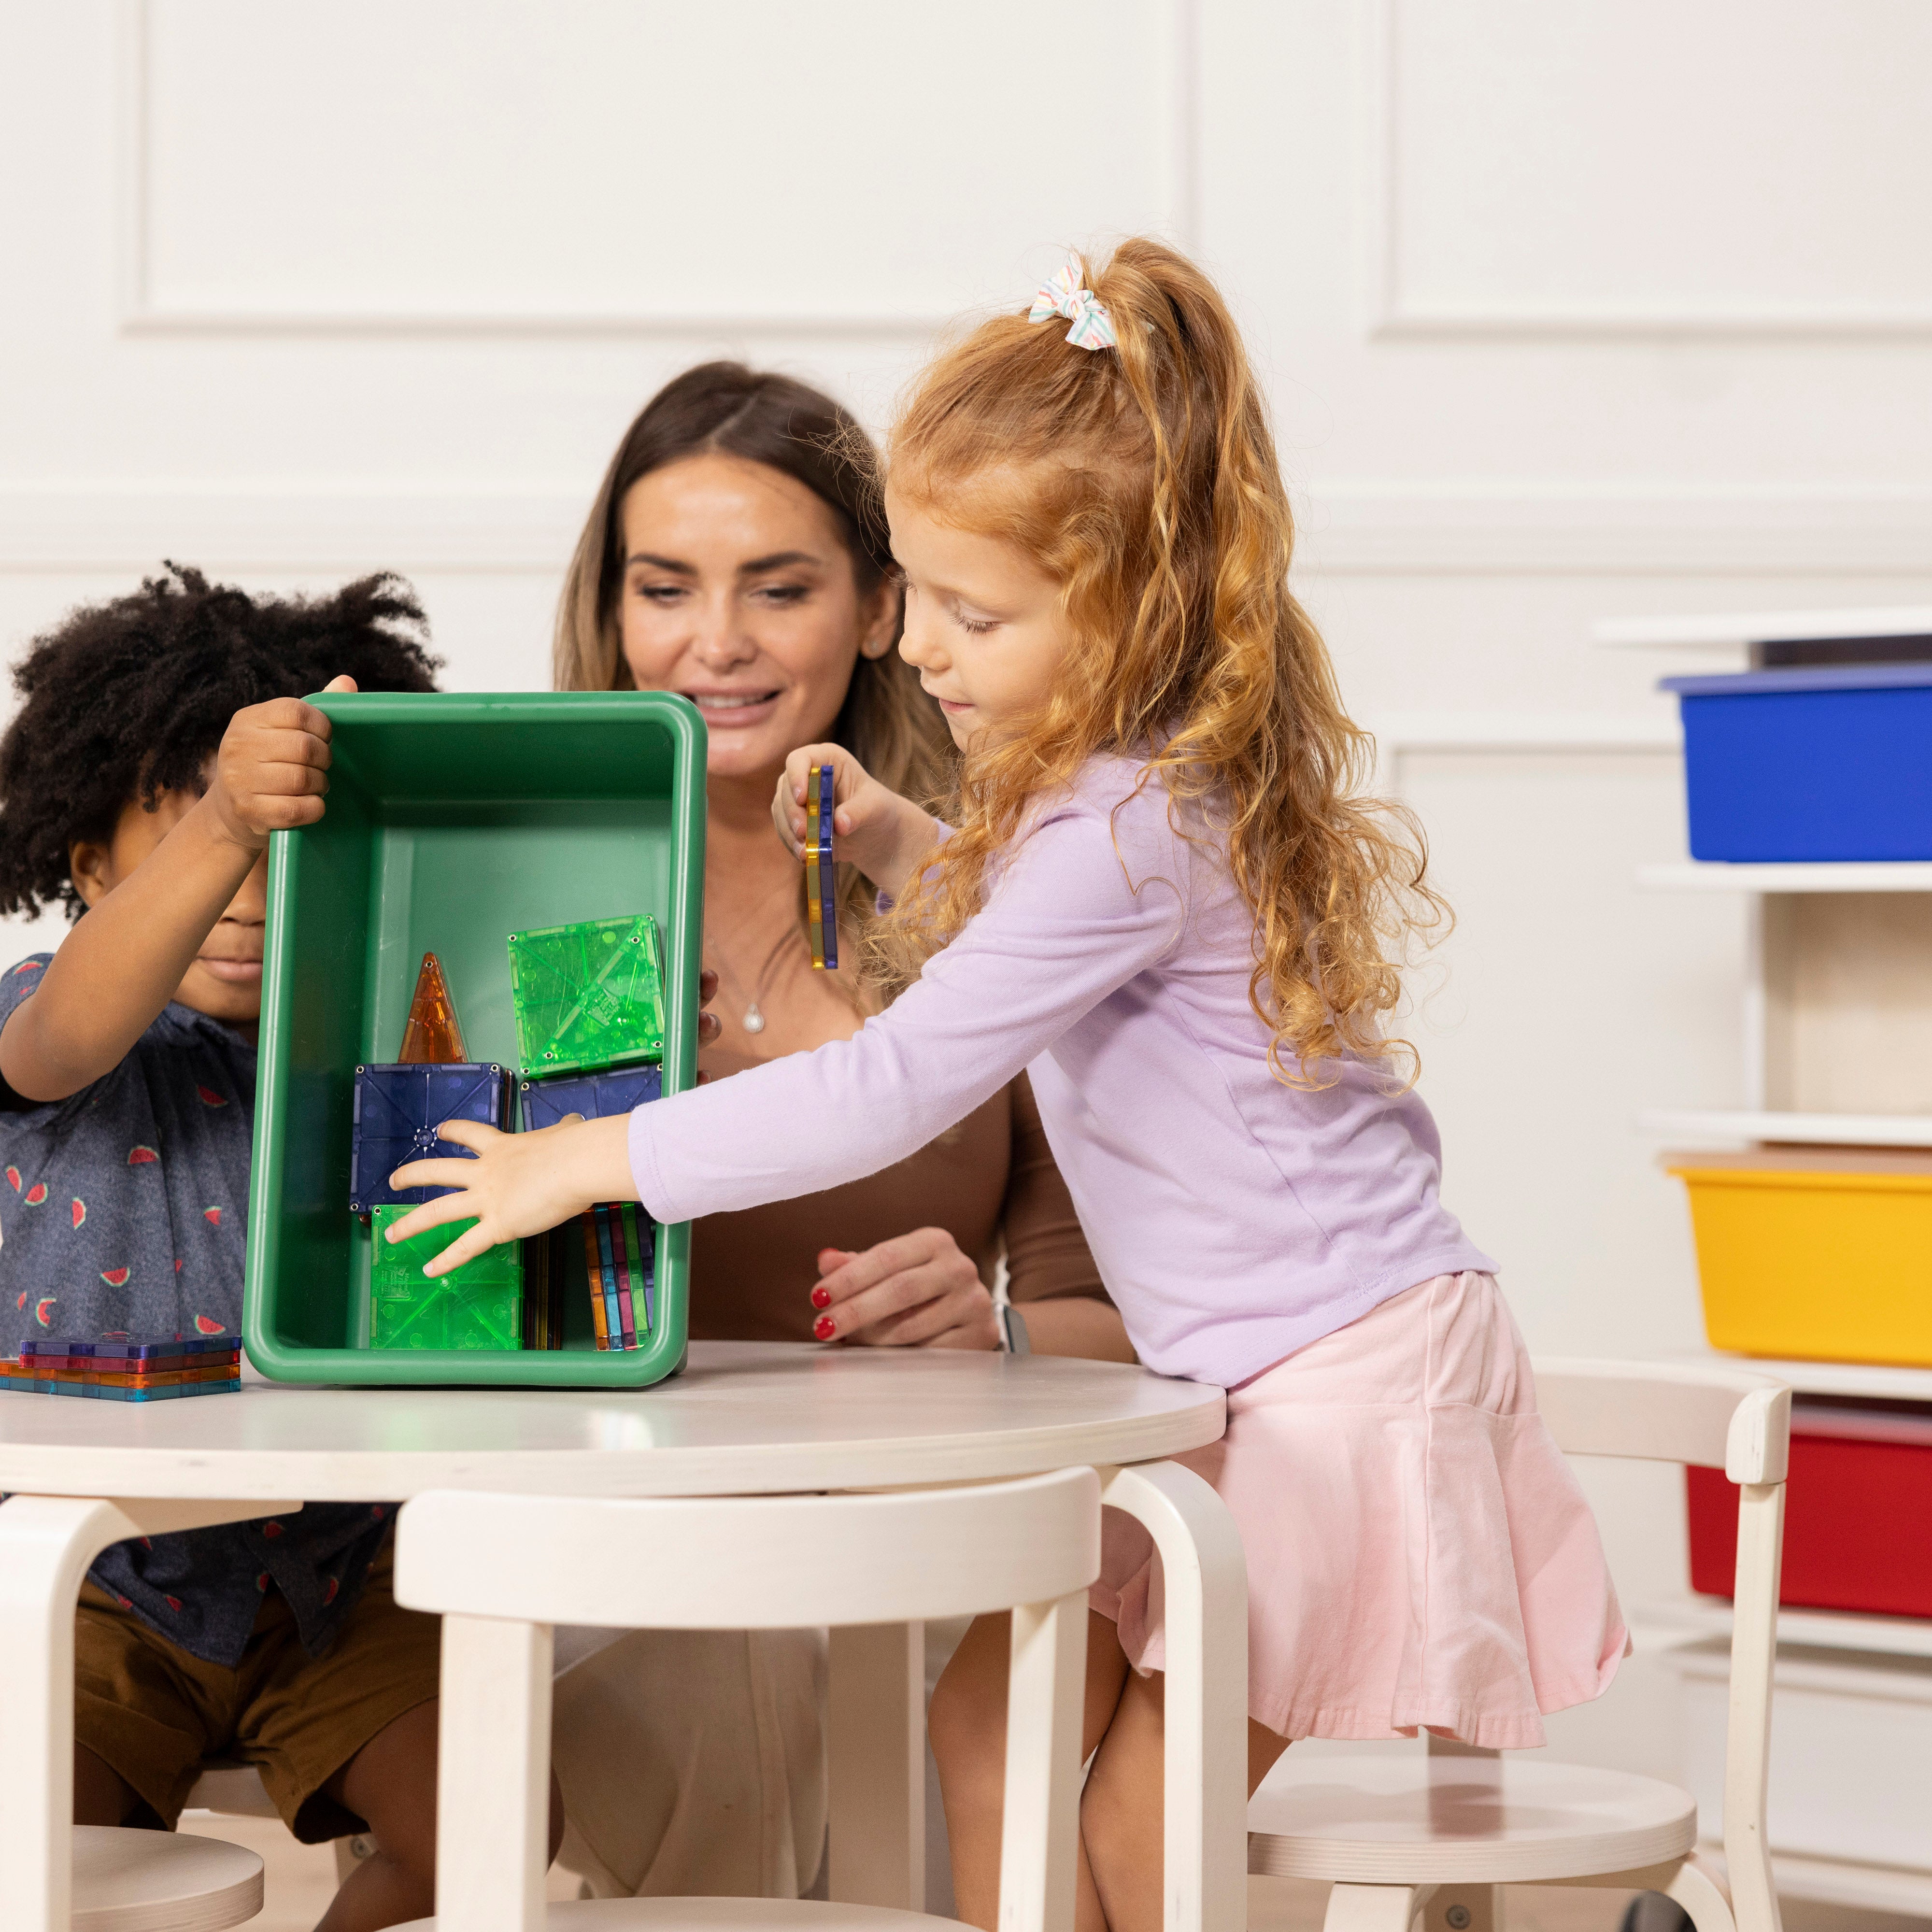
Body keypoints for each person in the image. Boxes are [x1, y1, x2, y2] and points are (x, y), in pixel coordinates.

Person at [392, 239, 1628, 1932]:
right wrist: (906, 842)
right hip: (1240, 1379)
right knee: (982, 1716)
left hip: (1341, 1373)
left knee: (1142, 1833)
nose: (926, 654)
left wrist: (590, 1160)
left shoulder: (1123, 829)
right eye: (925, 600)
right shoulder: (1102, 811)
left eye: (975, 616)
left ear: (1122, 614)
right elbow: (1035, 916)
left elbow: (891, 1084)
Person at [545, 363, 1127, 1901]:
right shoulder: (515, 872)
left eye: (779, 588)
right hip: (612, 1544)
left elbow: (1103, 1321)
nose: (714, 642)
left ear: (883, 606)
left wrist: (991, 1348)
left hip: (914, 1540)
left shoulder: (1009, 894)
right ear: (610, 608)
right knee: (733, 1687)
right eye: (664, 588)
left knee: (933, 1678)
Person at [0, 568, 560, 1932]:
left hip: (340, 1577)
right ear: (87, 866)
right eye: (189, 831)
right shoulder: (52, 1009)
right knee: (38, 1856)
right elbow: (61, 1038)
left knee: (496, 1822)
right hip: (98, 1580)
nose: (245, 889)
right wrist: (230, 812)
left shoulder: (380, 1047)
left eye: (278, 847)